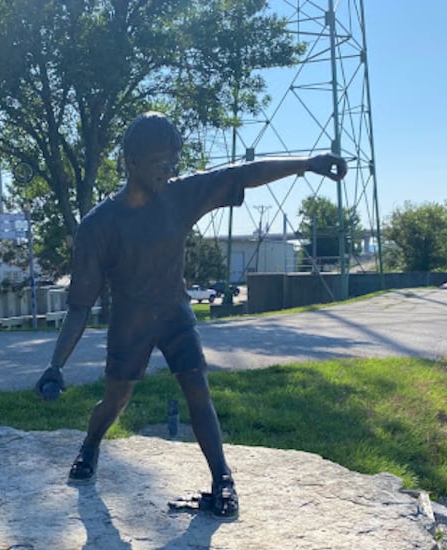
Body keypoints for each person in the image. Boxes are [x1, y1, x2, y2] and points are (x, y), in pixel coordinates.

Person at [36, 111, 347, 519]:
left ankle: (223, 479)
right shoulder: (99, 225)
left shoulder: (180, 196)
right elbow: (80, 305)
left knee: (197, 388)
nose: (169, 170)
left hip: (174, 312)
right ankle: (90, 445)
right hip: (130, 322)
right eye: (159, 162)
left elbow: (243, 173)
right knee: (116, 398)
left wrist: (306, 164)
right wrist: (55, 365)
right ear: (131, 163)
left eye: (173, 161)